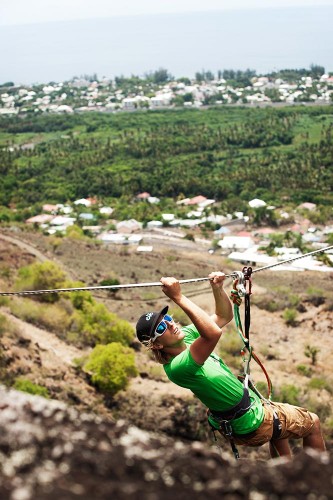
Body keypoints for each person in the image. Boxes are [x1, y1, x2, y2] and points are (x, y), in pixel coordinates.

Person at [136, 271, 326, 458]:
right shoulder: (178, 367)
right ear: (157, 344)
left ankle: (287, 476)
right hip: (250, 421)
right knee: (313, 423)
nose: (170, 324)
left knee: (280, 431)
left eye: (167, 319)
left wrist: (217, 289)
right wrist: (178, 297)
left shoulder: (188, 336)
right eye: (161, 327)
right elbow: (212, 334)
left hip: (249, 412)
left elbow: (222, 316)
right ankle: (320, 481)